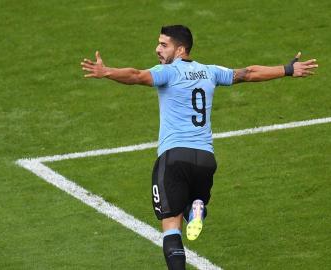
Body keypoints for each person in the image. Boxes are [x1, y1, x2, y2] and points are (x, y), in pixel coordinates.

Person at [81, 25, 318, 270]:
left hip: (173, 158)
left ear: (180, 49)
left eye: (164, 45)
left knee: (170, 228)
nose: (157, 49)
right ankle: (196, 207)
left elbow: (136, 76)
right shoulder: (210, 72)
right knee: (189, 203)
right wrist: (288, 69)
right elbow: (248, 73)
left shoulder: (169, 73)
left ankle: (191, 210)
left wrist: (106, 71)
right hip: (205, 160)